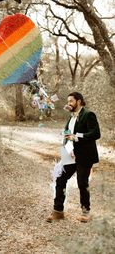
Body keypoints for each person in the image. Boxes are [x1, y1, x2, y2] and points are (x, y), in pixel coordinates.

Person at [47, 92, 100, 223]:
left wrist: (77, 137)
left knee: (82, 184)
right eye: (68, 101)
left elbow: (95, 133)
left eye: (71, 101)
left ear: (79, 101)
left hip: (84, 155)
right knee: (60, 179)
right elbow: (69, 133)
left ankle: (86, 212)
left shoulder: (88, 115)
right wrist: (65, 136)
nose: (68, 103)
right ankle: (58, 211)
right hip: (69, 154)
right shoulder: (71, 117)